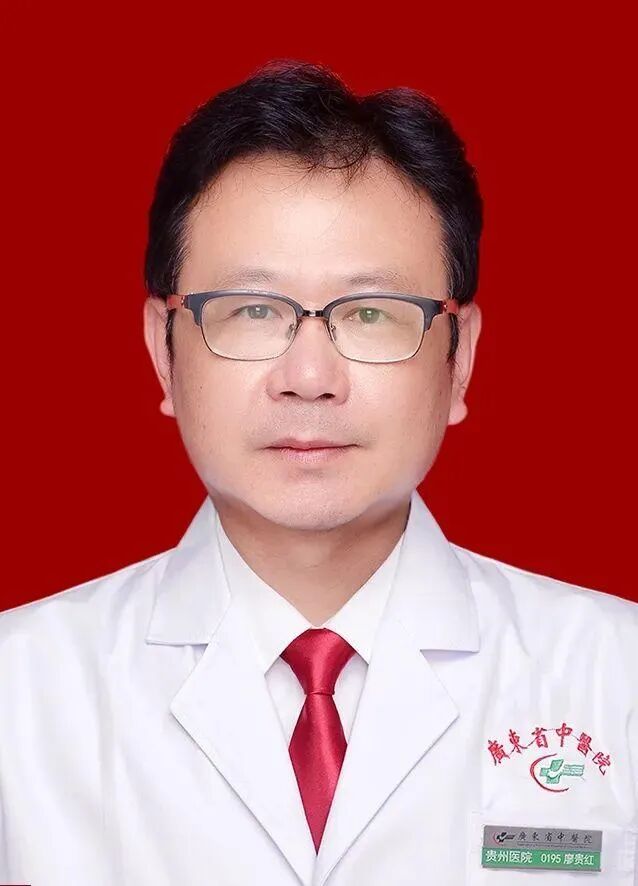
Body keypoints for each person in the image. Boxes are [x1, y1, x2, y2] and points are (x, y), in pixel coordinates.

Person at [0, 59, 636, 886]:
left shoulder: (615, 676)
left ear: (460, 360)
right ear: (163, 352)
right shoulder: (20, 691)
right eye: (252, 310)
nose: (308, 377)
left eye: (370, 313)